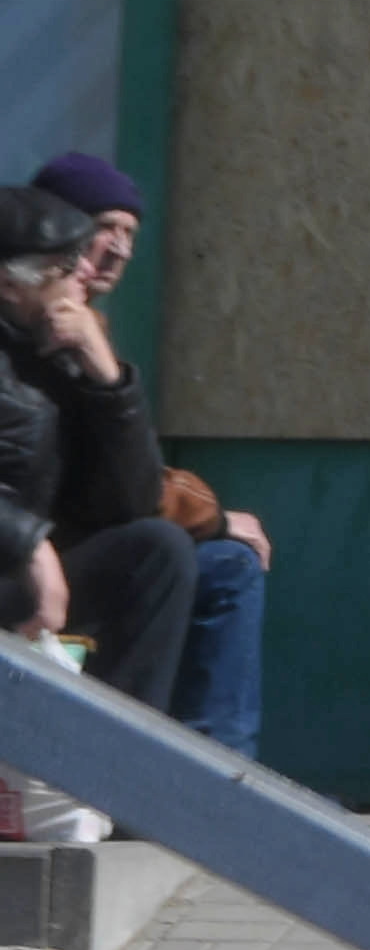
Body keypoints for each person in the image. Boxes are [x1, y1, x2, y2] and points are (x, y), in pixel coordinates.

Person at [34, 149, 267, 759]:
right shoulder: (28, 327)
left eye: (130, 233)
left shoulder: (84, 330)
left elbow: (127, 483)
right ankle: (126, 770)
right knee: (158, 547)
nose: (119, 249)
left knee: (227, 565)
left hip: (61, 548)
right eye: (104, 227)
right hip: (26, 558)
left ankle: (218, 775)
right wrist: (211, 516)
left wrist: (108, 374)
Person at [0, 185, 193, 719]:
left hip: (23, 573)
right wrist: (29, 546)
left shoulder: (50, 349)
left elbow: (132, 501)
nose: (82, 277)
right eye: (65, 268)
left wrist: (107, 379)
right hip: (17, 564)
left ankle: (124, 762)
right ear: (9, 285)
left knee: (157, 550)